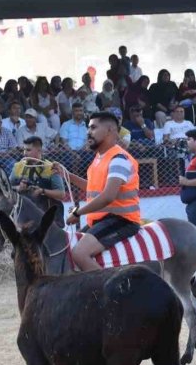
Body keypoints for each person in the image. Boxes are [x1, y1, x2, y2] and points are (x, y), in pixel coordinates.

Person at [63, 112, 141, 272]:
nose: (88, 132)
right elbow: (93, 189)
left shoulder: (118, 158)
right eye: (88, 128)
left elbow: (107, 196)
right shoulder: (100, 158)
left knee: (79, 254)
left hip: (121, 220)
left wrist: (78, 213)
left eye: (93, 128)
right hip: (103, 220)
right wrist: (67, 175)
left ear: (109, 130)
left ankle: (108, 287)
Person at [11, 136, 66, 227]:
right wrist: (18, 188)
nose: (24, 153)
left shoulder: (51, 167)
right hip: (24, 216)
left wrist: (42, 191)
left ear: (39, 151)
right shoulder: (18, 166)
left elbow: (61, 194)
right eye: (24, 150)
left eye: (28, 150)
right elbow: (7, 188)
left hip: (48, 215)